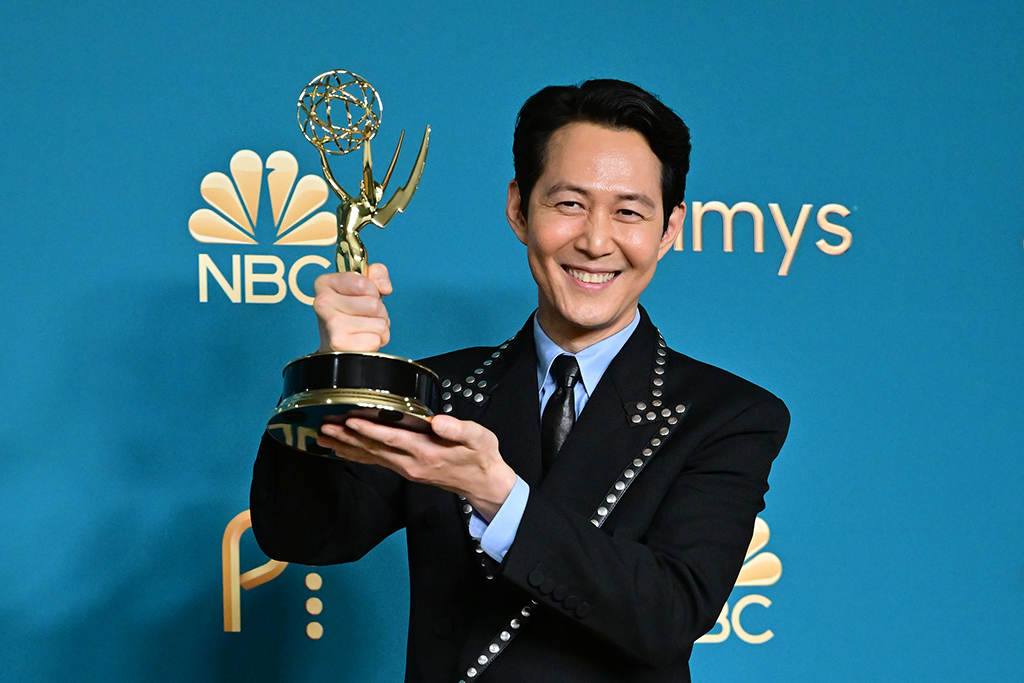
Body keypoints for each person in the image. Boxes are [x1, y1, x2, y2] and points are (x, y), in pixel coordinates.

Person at [250, 79, 790, 683]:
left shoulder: (729, 415)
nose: (594, 240)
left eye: (629, 212)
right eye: (569, 204)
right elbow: (304, 532)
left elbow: (666, 614)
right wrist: (337, 370)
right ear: (518, 210)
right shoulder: (438, 391)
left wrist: (497, 496)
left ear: (668, 230)